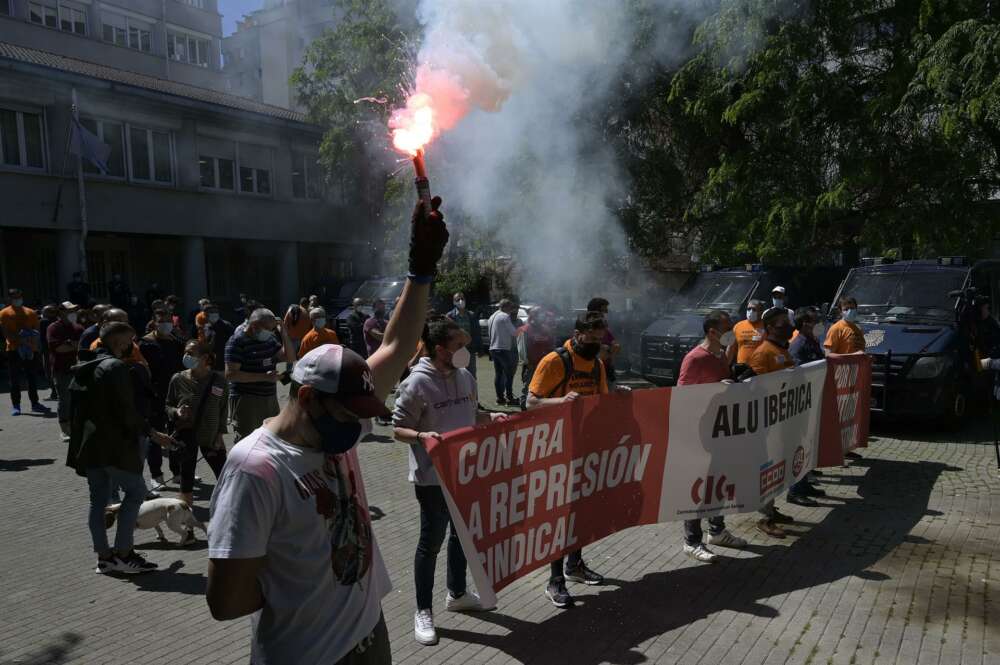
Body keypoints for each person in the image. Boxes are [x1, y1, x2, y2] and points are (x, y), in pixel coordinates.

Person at [206, 197, 449, 665]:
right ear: (307, 398)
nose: (356, 425)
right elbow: (226, 601)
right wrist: (303, 592)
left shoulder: (338, 410)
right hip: (310, 654)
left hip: (368, 634)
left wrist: (420, 269)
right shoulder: (254, 468)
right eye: (347, 415)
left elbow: (398, 343)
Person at [393, 317, 503, 645]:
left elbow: (472, 415)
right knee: (431, 542)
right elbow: (397, 429)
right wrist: (421, 435)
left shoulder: (466, 377)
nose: (464, 352)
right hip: (432, 478)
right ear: (440, 349)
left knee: (462, 536)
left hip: (467, 473)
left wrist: (490, 418)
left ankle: (456, 593)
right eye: (458, 346)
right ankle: (423, 611)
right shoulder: (415, 384)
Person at [66, 321, 175, 574]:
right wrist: (152, 433)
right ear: (119, 342)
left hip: (91, 446)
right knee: (136, 493)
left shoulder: (85, 364)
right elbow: (127, 411)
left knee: (98, 501)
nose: (133, 345)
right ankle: (124, 553)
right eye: (130, 341)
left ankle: (104, 558)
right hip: (114, 447)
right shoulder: (115, 367)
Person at [527, 311, 617, 608]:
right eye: (590, 338)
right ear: (576, 333)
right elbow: (531, 402)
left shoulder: (597, 364)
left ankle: (574, 565)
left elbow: (601, 401)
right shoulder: (555, 361)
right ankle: (555, 581)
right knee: (559, 515)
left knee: (580, 512)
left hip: (584, 448)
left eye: (599, 339)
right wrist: (560, 402)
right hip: (554, 449)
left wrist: (620, 398)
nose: (595, 344)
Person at [677, 310, 748, 562]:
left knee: (719, 483)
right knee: (697, 488)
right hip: (699, 433)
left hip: (720, 430)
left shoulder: (720, 355)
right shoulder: (694, 358)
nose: (731, 332)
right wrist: (717, 389)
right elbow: (683, 396)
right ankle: (691, 541)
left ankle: (716, 531)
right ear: (712, 332)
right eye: (727, 327)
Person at [166, 340, 230, 529]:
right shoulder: (178, 379)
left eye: (191, 353)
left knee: (225, 475)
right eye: (186, 352)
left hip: (210, 436)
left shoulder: (218, 380)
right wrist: (176, 412)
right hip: (186, 435)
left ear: (204, 358)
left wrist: (220, 434)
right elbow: (167, 404)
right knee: (186, 479)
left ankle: (230, 511)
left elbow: (223, 409)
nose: (187, 356)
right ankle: (186, 523)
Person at [747, 307, 798, 538]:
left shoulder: (782, 350)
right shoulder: (763, 353)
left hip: (782, 421)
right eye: (781, 324)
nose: (788, 327)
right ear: (769, 328)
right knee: (766, 470)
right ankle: (763, 518)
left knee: (778, 469)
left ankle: (771, 510)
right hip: (767, 423)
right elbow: (755, 389)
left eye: (787, 322)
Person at [224, 308, 295, 441]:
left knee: (271, 438)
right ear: (254, 325)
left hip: (269, 398)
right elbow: (231, 374)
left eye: (273, 329)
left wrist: (284, 332)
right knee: (248, 440)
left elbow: (290, 358)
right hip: (247, 401)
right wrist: (265, 377)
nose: (270, 332)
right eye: (268, 328)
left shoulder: (270, 339)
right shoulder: (237, 342)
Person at [784, 306, 828, 507]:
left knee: (810, 444)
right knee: (799, 447)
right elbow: (797, 375)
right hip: (802, 405)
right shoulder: (798, 345)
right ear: (804, 324)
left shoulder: (812, 341)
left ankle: (804, 484)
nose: (817, 324)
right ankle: (794, 491)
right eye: (813, 321)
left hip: (813, 401)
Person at [139, 309, 187, 491]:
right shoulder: (146, 343)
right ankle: (156, 475)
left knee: (176, 434)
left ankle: (177, 472)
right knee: (157, 436)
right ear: (154, 322)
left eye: (169, 320)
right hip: (155, 397)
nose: (166, 324)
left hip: (175, 395)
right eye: (162, 320)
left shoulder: (175, 341)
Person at [1, 288, 48, 417]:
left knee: (31, 377)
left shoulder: (31, 312)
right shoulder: (4, 313)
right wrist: (21, 340)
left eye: (19, 296)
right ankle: (16, 405)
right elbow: (6, 333)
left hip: (31, 349)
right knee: (14, 379)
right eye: (14, 297)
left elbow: (36, 331)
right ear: (9, 298)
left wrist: (31, 343)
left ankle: (35, 403)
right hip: (13, 350)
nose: (17, 299)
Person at [48, 302, 84, 441]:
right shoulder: (54, 328)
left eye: (75, 310)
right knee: (65, 400)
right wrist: (73, 345)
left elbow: (83, 347)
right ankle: (64, 430)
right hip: (62, 369)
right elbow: (58, 349)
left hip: (79, 368)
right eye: (70, 310)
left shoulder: (78, 327)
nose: (73, 312)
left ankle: (77, 427)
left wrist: (69, 343)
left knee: (79, 399)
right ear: (61, 312)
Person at [516, 307, 557, 410]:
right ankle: (524, 409)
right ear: (534, 316)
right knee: (528, 387)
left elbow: (552, 346)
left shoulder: (546, 329)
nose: (543, 317)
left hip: (545, 365)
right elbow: (522, 350)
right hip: (531, 365)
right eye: (540, 314)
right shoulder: (524, 330)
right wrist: (527, 362)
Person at [488, 300, 518, 405]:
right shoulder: (505, 316)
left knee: (498, 374)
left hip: (493, 348)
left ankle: (500, 398)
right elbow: (514, 333)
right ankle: (510, 398)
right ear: (506, 307)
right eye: (510, 308)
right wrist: (524, 328)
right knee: (509, 374)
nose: (511, 310)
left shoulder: (492, 316)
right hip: (503, 349)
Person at [446, 292, 481, 380]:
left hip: (470, 349)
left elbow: (477, 332)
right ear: (454, 302)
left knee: (471, 375)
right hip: (455, 350)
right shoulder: (449, 316)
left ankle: (472, 393)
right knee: (457, 375)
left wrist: (480, 348)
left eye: (462, 299)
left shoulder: (471, 315)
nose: (461, 301)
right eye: (458, 300)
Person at [588, 297, 621, 385]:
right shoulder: (586, 325)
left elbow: (615, 344)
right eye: (604, 309)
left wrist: (611, 350)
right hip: (593, 369)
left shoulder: (604, 325)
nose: (606, 312)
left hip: (606, 367)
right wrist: (605, 349)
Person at [728, 299, 766, 366]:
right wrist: (726, 365)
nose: (750, 311)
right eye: (749, 309)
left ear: (761, 312)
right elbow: (730, 349)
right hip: (741, 367)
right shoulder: (737, 326)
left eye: (754, 309)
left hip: (760, 367)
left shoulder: (767, 326)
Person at [203, 303, 235, 371]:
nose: (214, 314)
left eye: (216, 312)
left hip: (224, 364)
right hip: (210, 364)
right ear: (205, 314)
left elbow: (234, 343)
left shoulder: (227, 326)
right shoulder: (206, 327)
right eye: (211, 312)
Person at [39, 304, 59, 400]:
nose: (42, 313)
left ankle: (54, 393)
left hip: (47, 351)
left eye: (44, 311)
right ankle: (56, 392)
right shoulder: (59, 321)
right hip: (57, 350)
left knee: (48, 371)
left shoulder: (44, 322)